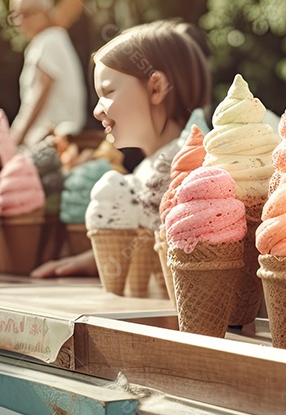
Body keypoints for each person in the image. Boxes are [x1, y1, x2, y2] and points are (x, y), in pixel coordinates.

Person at [32, 20, 211, 278]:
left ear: (156, 88)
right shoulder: (146, 170)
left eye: (108, 91)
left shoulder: (192, 170)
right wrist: (88, 261)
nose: (97, 110)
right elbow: (144, 244)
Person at [7, 0, 87, 147]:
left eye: (27, 13)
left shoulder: (47, 40)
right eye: (16, 15)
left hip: (51, 141)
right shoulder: (54, 39)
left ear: (46, 11)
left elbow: (39, 94)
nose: (21, 21)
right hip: (56, 139)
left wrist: (15, 138)